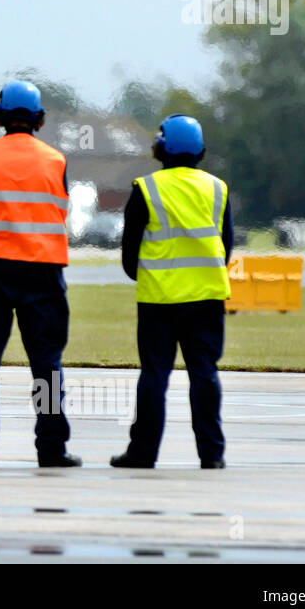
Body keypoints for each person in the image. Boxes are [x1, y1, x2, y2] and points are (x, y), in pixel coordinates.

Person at [0, 80, 81, 468]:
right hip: (42, 273)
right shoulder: (56, 160)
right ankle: (51, 449)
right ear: (40, 120)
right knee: (47, 367)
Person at [111, 115, 233, 470]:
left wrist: (149, 276)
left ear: (161, 148)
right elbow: (226, 246)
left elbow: (129, 254)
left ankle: (143, 453)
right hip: (207, 299)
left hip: (158, 301)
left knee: (154, 375)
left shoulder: (146, 189)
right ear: (200, 151)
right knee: (205, 374)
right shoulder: (218, 189)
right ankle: (212, 455)